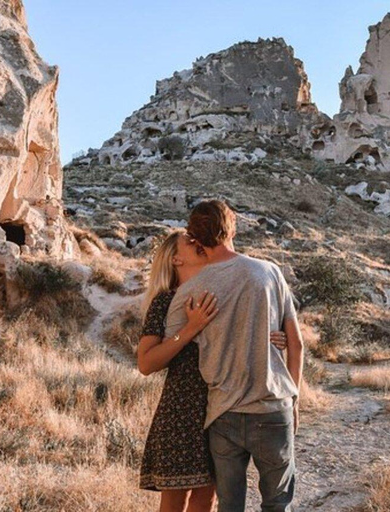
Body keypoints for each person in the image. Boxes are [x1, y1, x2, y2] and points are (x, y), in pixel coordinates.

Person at [163, 200, 305, 512]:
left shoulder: (190, 291)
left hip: (223, 414)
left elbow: (165, 348)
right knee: (278, 504)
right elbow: (296, 344)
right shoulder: (269, 272)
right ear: (233, 228)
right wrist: (293, 399)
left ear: (196, 240)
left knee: (229, 506)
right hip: (271, 408)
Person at [136, 231, 290, 512]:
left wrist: (275, 337)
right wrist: (189, 328)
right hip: (182, 411)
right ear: (175, 259)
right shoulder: (166, 301)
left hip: (222, 407)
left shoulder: (222, 292)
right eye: (191, 243)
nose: (200, 244)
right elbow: (146, 363)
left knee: (208, 499)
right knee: (174, 500)